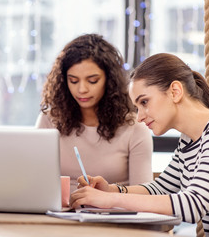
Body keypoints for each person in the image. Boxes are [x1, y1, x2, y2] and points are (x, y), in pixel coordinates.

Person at [70, 53, 209, 236]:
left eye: (144, 102)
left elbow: (193, 205)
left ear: (175, 91)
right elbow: (160, 189)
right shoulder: (188, 141)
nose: (140, 116)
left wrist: (109, 199)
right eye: (137, 107)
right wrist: (112, 189)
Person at [36, 34, 153, 193]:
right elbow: (37, 183)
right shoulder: (50, 120)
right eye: (73, 81)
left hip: (114, 215)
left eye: (92, 81)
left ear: (109, 80)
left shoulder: (135, 128)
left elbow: (144, 195)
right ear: (64, 81)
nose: (82, 89)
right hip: (60, 214)